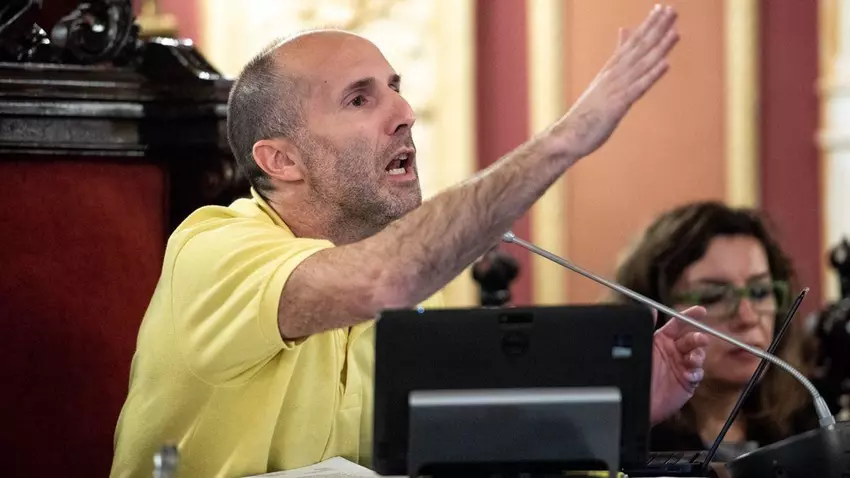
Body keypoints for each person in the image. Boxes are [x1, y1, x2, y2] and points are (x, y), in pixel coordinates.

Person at [111, 5, 709, 477]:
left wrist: (617, 415)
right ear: (282, 160)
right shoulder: (211, 249)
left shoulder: (424, 290)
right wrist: (563, 141)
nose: (405, 112)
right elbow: (383, 280)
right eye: (359, 99)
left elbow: (476, 458)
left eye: (395, 88)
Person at [612, 201, 817, 462]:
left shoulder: (805, 420)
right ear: (658, 313)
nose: (747, 317)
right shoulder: (620, 438)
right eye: (713, 296)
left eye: (760, 292)